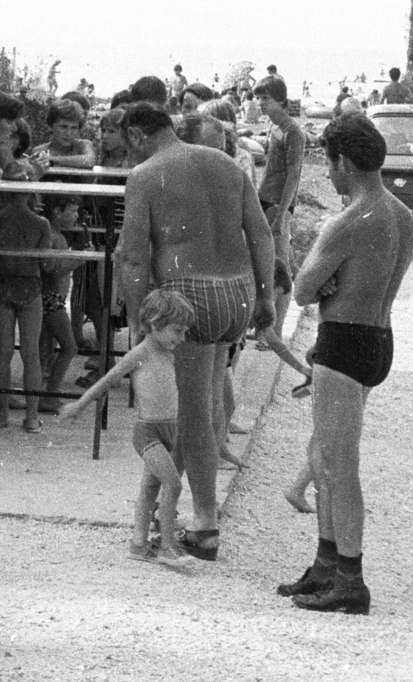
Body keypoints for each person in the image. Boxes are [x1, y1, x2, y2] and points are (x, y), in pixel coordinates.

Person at [116, 101, 276, 562]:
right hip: (238, 290)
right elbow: (261, 234)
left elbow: (133, 256)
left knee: (189, 416)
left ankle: (205, 524)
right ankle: (170, 512)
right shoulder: (224, 162)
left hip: (190, 294)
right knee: (205, 399)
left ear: (137, 135)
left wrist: (138, 316)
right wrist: (264, 298)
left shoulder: (145, 175)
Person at [279, 114, 413, 615]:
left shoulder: (350, 218)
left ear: (345, 162)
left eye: (330, 163)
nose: (329, 175)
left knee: (339, 468)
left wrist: (324, 283)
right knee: (323, 459)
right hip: (378, 338)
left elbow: (302, 287)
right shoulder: (401, 214)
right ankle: (325, 565)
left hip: (343, 342)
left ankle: (351, 579)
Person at [59, 287, 198, 567]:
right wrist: (80, 406)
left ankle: (138, 543)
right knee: (173, 484)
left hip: (170, 429)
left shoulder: (170, 353)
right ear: (155, 323)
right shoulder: (140, 353)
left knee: (149, 488)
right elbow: (107, 380)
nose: (181, 339)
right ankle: (167, 545)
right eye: (177, 331)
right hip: (148, 432)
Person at [0, 186, 53, 431]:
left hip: (3, 284)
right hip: (29, 286)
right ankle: (32, 417)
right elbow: (46, 264)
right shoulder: (41, 223)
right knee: (31, 353)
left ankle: (2, 414)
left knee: (3, 352)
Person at [255, 76, 305, 341]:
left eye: (266, 99)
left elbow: (293, 176)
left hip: (278, 203)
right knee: (266, 266)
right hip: (266, 199)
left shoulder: (293, 131)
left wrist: (283, 213)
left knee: (281, 271)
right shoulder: (274, 127)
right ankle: (266, 328)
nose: (260, 103)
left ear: (281, 101)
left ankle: (275, 332)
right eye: (259, 98)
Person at [38, 193, 86, 413]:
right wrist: (80, 259)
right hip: (51, 300)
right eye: (73, 210)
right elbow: (54, 269)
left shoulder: (57, 234)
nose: (76, 216)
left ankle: (41, 394)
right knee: (70, 347)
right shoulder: (53, 235)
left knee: (46, 349)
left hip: (52, 299)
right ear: (57, 212)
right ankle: (50, 394)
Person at [33, 99, 96, 169]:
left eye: (74, 128)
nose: (68, 133)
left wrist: (51, 159)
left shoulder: (83, 145)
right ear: (51, 126)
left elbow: (89, 161)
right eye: (63, 127)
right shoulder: (41, 150)